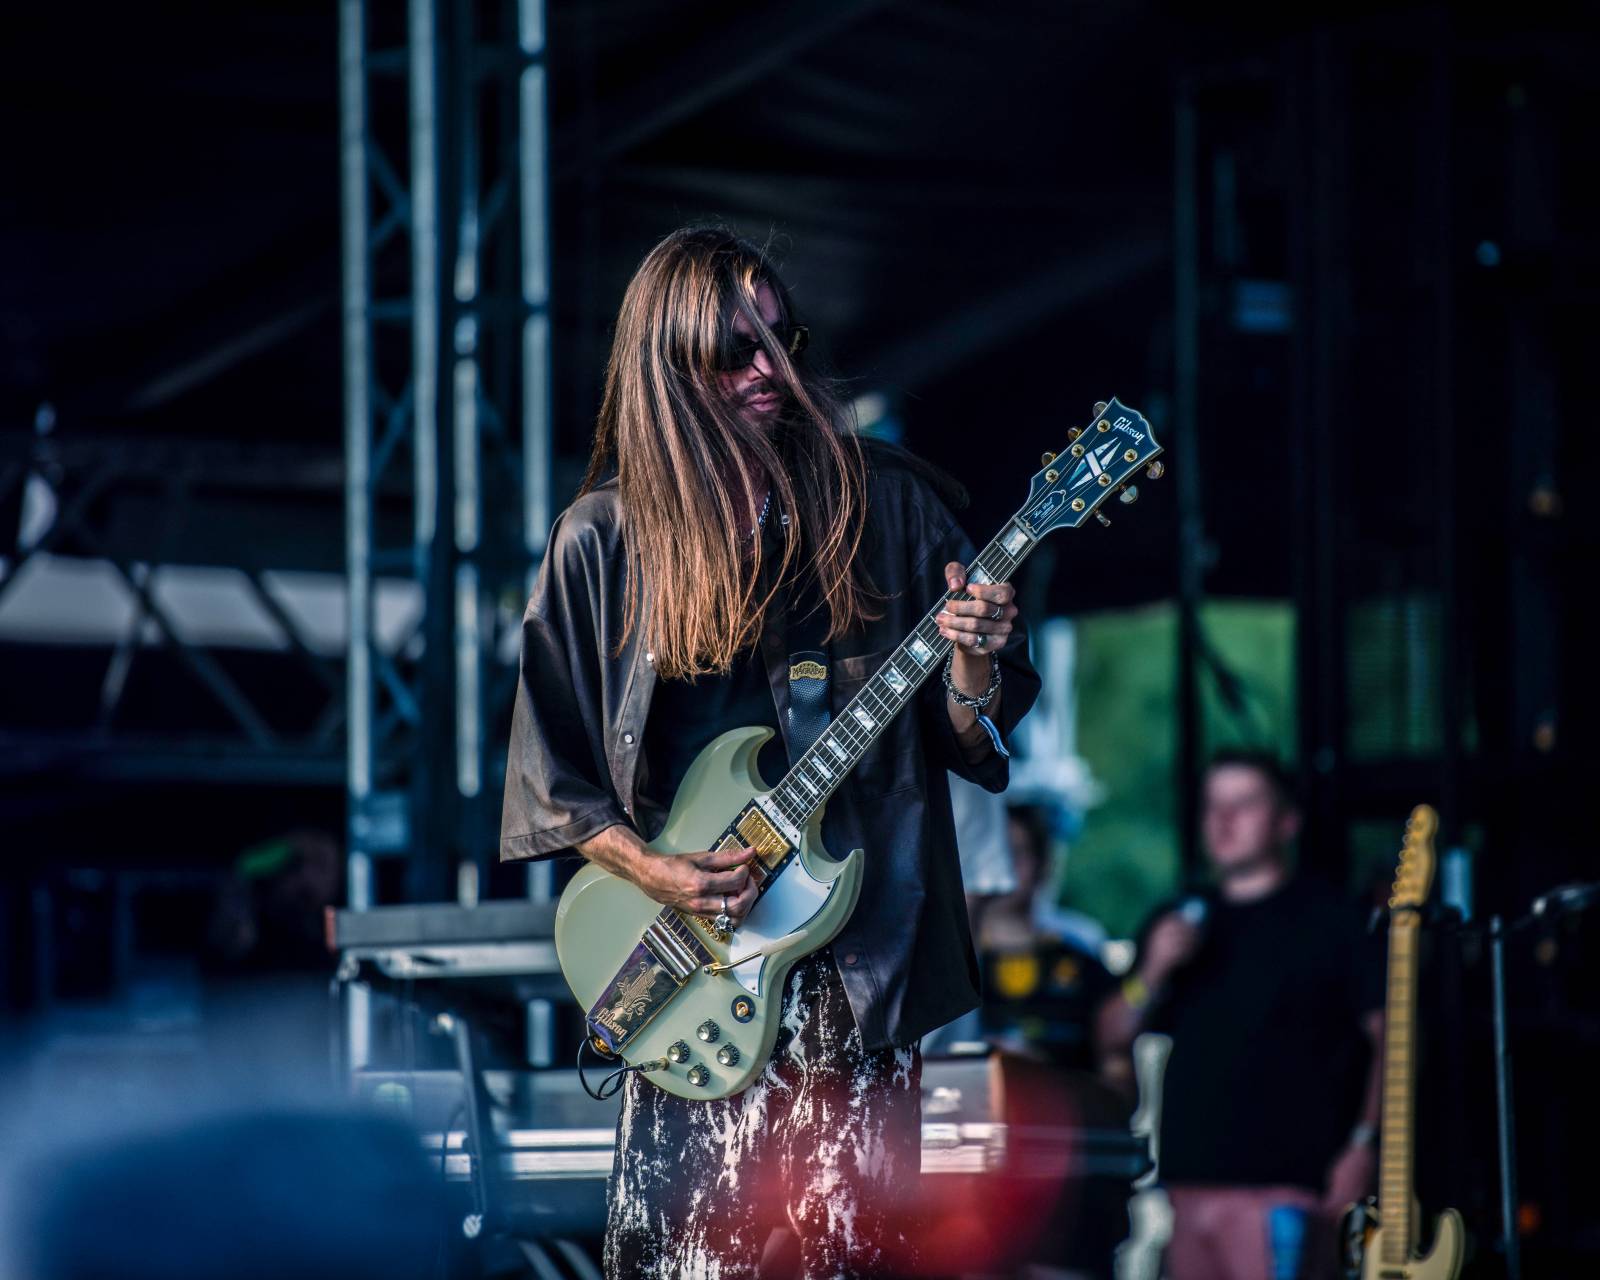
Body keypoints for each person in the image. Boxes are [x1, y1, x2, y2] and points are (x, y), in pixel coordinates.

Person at [499, 226, 1040, 1278]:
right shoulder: (600, 541)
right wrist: (658, 871)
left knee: (857, 1256)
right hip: (686, 960)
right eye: (733, 350)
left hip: (862, 960)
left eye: (780, 341)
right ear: (666, 365)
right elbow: (552, 781)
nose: (768, 369)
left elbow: (969, 733)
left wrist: (974, 659)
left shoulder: (885, 503)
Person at [1095, 751, 1383, 1280]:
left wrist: (1364, 1145)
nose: (1224, 820)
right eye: (1214, 806)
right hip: (1186, 1191)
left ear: (1286, 822)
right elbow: (1111, 1036)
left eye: (1244, 804)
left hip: (1284, 1190)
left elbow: (1395, 1041)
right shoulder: (1180, 919)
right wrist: (1152, 971)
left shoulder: (1333, 921)